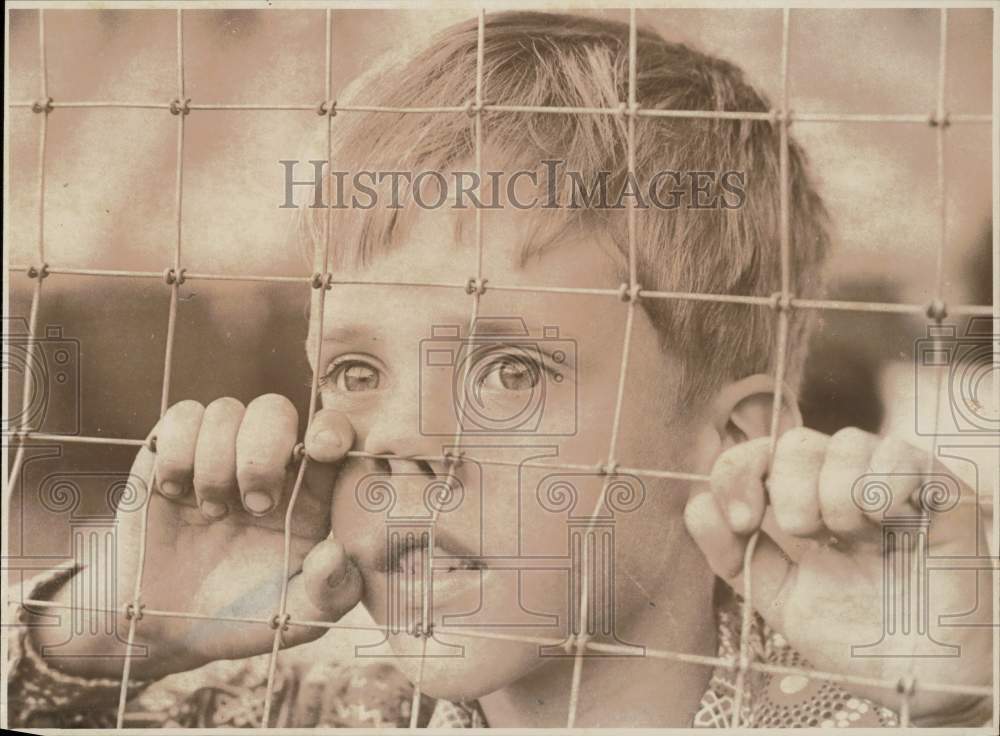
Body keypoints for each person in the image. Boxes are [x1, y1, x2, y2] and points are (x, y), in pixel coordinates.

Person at [8, 11, 992, 728]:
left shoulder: (871, 706)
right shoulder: (305, 708)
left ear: (735, 440)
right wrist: (99, 635)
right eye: (355, 370)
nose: (398, 438)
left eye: (510, 370)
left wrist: (956, 701)